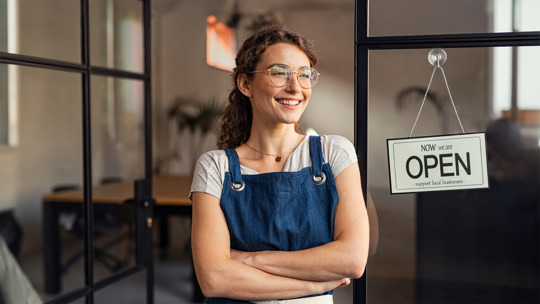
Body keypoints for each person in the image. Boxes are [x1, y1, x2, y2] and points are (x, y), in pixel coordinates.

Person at [190, 25, 370, 303]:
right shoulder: (215, 167)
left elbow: (353, 259)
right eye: (279, 73)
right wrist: (314, 286)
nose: (295, 87)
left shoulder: (335, 153)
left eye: (304, 75)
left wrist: (248, 260)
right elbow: (213, 279)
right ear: (245, 84)